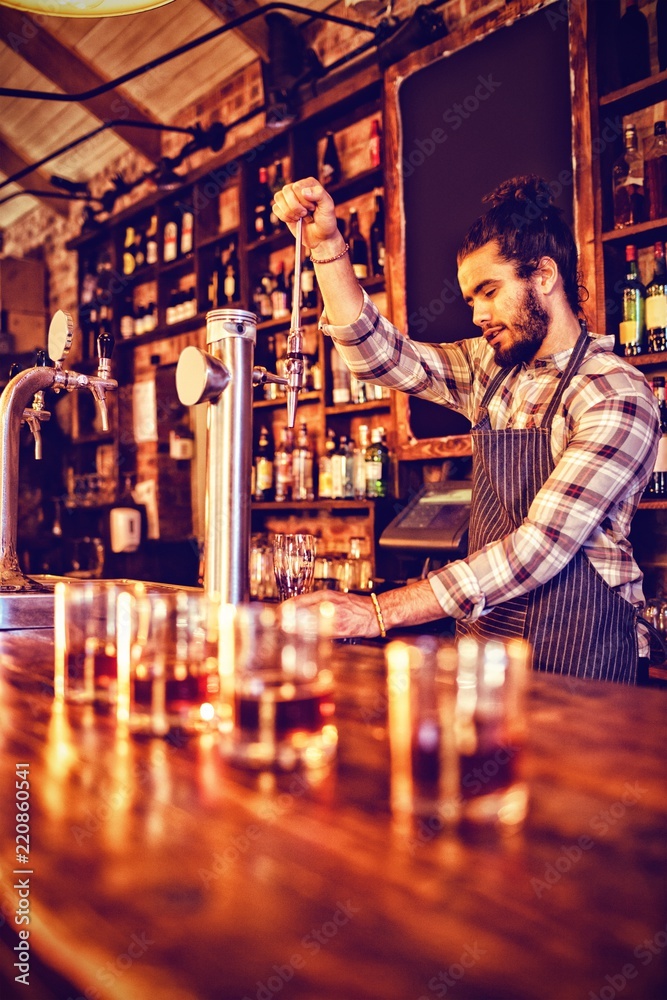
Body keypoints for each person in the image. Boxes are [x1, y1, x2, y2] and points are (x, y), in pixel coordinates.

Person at [272, 175, 660, 683]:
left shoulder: (616, 393)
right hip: (486, 654)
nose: (477, 314)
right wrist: (326, 248)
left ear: (544, 275)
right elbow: (380, 357)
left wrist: (378, 611)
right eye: (470, 297)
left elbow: (538, 547)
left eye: (489, 291)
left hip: (581, 659)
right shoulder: (491, 369)